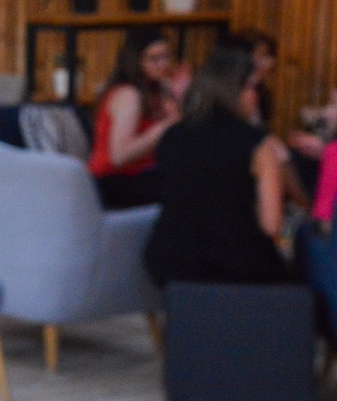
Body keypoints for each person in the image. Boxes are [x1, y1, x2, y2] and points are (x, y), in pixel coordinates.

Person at [143, 47, 292, 287]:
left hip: (171, 260)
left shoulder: (172, 136)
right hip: (238, 266)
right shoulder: (259, 144)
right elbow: (272, 224)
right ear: (234, 89)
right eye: (254, 87)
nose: (257, 95)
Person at [88, 28, 185, 207]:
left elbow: (180, 134)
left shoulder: (158, 91)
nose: (163, 64)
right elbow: (119, 156)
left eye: (166, 57)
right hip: (112, 182)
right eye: (154, 59)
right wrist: (166, 125)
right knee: (185, 187)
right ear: (136, 61)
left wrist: (178, 97)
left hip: (140, 176)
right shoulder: (129, 94)